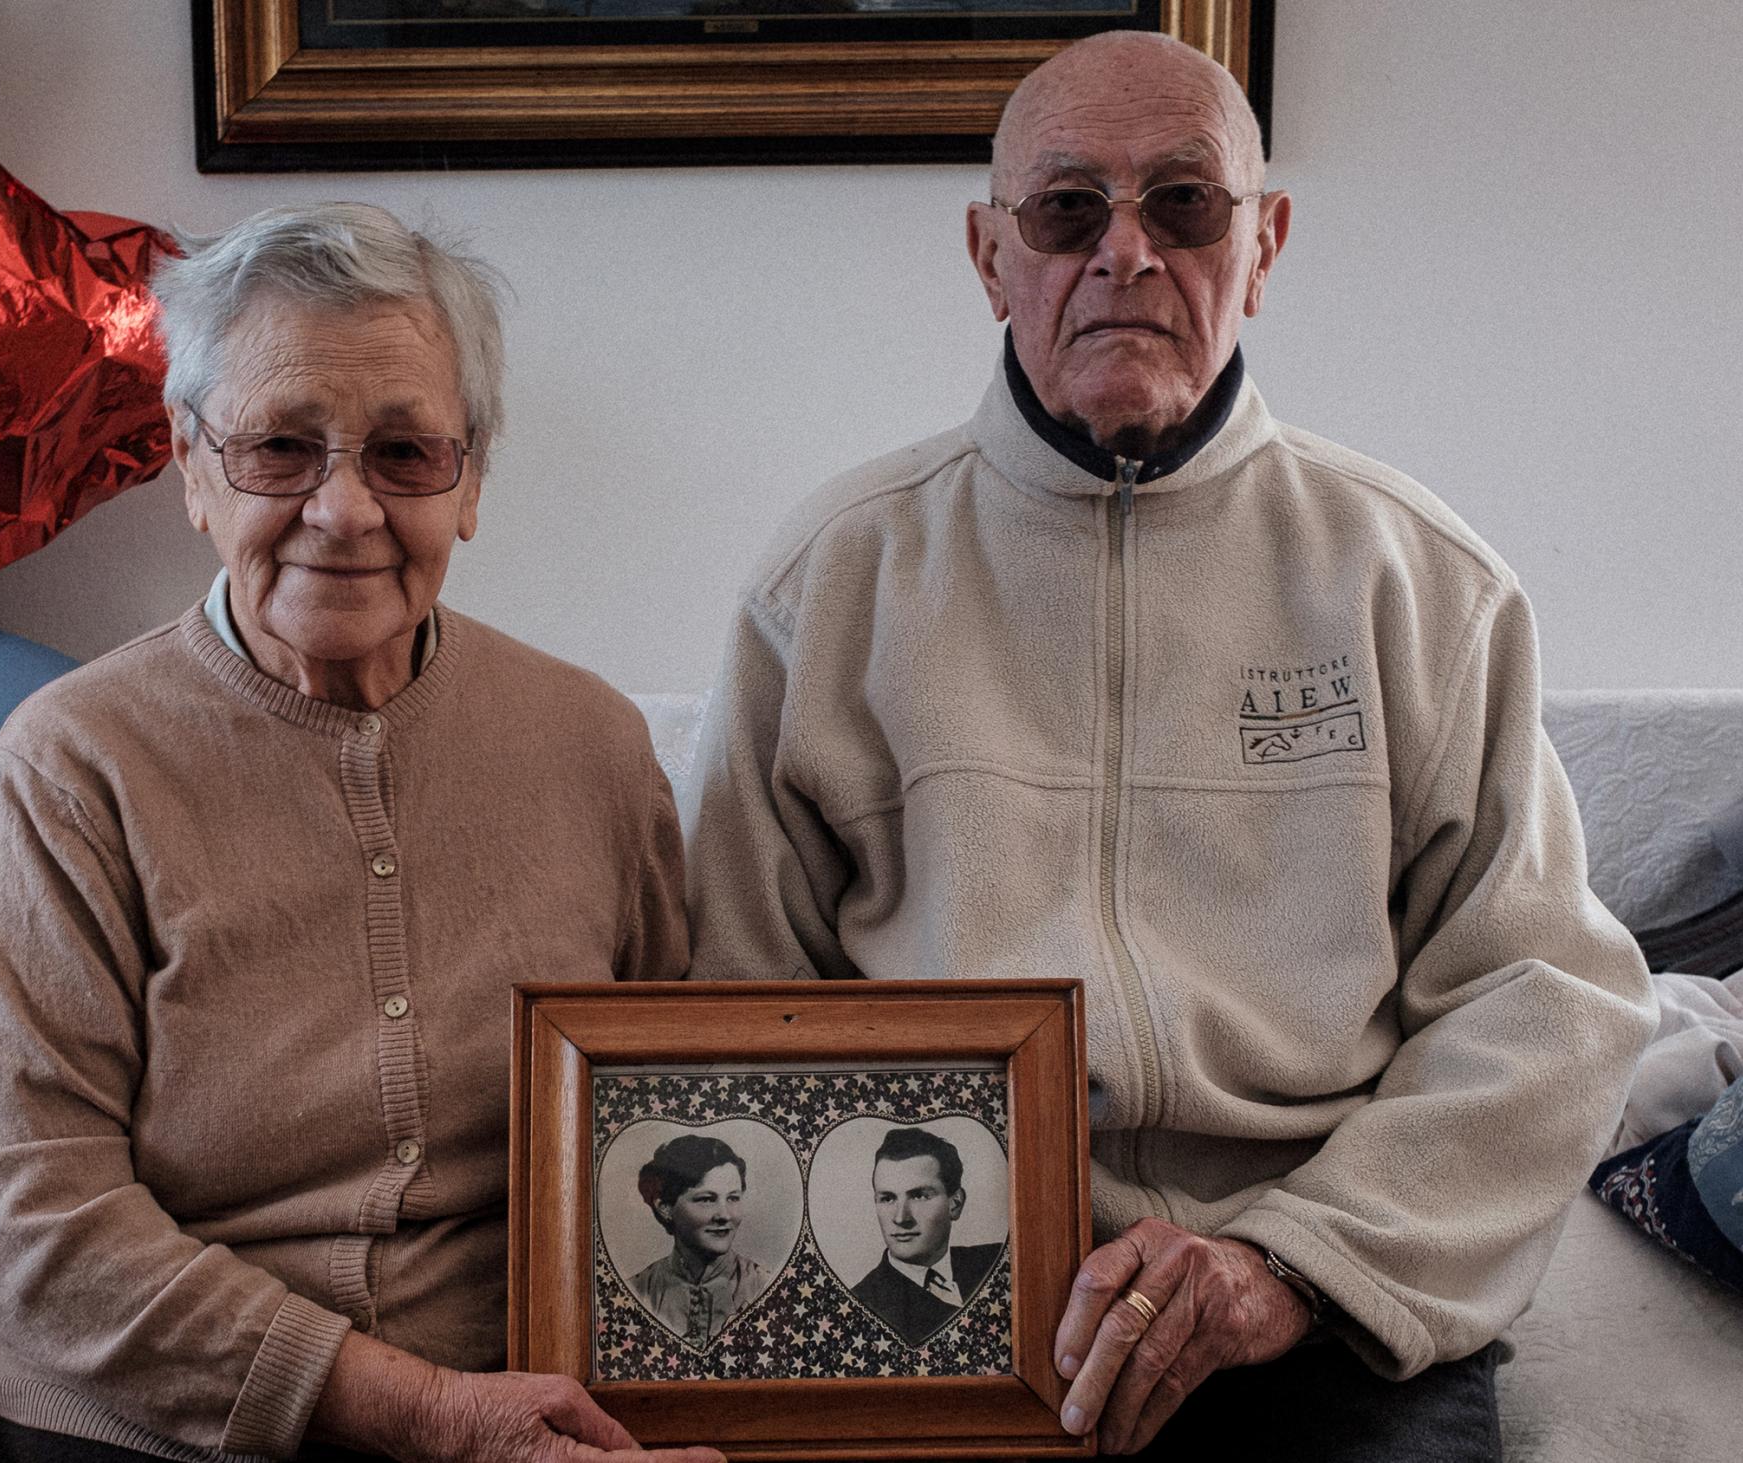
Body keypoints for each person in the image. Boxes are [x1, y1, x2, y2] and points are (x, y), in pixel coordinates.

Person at [682, 31, 1655, 1461]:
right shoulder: (832, 579)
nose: (1125, 255)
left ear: (1262, 246)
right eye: (1069, 209)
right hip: (946, 1295)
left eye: (1184, 206)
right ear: (990, 254)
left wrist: (1288, 1266)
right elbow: (734, 988)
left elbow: (1548, 988)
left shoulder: (1420, 579)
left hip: (1314, 1297)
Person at [0, 203, 717, 1463]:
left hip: (518, 1400)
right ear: (191, 466)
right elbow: (38, 1219)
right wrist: (418, 1409)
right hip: (157, 1421)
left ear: (469, 484)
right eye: (281, 448)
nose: (344, 509)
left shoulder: (593, 746)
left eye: (405, 453)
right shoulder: (72, 762)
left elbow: (675, 1112)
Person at [846, 1127, 1003, 1345]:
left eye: (919, 1196)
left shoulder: (999, 1262)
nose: (901, 1218)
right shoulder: (858, 1307)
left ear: (955, 1204)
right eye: (887, 1199)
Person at [627, 1135, 775, 1343]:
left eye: (733, 1198)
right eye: (706, 1199)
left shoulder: (768, 1288)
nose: (724, 1215)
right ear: (665, 1208)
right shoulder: (636, 1291)